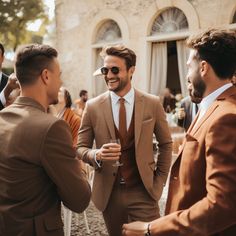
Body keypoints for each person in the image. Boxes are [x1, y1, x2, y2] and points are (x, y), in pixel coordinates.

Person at [122, 28, 236, 236]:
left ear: (203, 68)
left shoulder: (225, 118)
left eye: (188, 67)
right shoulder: (215, 107)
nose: (186, 76)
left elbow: (223, 203)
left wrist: (151, 228)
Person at [77, 45, 172, 236]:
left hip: (144, 191)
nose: (109, 75)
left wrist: (160, 180)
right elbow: (80, 147)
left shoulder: (152, 103)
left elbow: (166, 144)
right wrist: (96, 154)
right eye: (105, 70)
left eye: (115, 70)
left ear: (131, 71)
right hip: (109, 194)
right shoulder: (93, 107)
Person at [0, 44, 91, 236]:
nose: (61, 81)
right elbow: (79, 200)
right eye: (59, 74)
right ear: (46, 76)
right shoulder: (52, 128)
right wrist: (79, 165)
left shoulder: (2, 117)